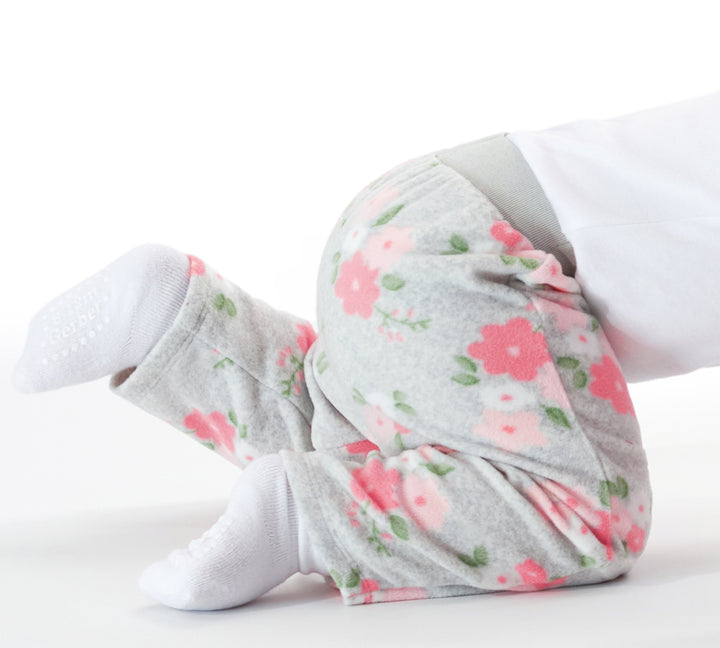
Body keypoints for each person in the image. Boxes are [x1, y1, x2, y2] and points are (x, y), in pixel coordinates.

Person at [13, 92, 718, 610]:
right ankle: (310, 516)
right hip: (479, 263)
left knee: (356, 429)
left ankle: (180, 325)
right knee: (586, 516)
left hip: (402, 219)